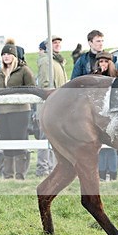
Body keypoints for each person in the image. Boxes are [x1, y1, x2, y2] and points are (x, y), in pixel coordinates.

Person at [0, 42, 36, 179]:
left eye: (9, 54)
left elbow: (32, 87)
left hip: (20, 111)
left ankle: (20, 175)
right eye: (4, 54)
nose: (6, 56)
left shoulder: (24, 70)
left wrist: (17, 92)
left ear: (14, 56)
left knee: (19, 141)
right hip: (3, 112)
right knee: (6, 141)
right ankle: (8, 174)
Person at [35, 36, 67, 177]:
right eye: (54, 42)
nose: (57, 44)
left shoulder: (57, 61)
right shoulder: (46, 61)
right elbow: (45, 84)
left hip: (59, 106)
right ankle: (43, 168)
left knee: (57, 139)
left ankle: (54, 167)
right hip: (50, 106)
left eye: (59, 42)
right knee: (45, 138)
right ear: (48, 46)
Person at [93, 51, 118, 180]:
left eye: (106, 61)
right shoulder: (95, 77)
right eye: (101, 61)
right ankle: (101, 173)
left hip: (114, 111)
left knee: (112, 146)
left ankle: (113, 173)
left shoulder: (117, 76)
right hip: (99, 112)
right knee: (100, 146)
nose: (103, 64)